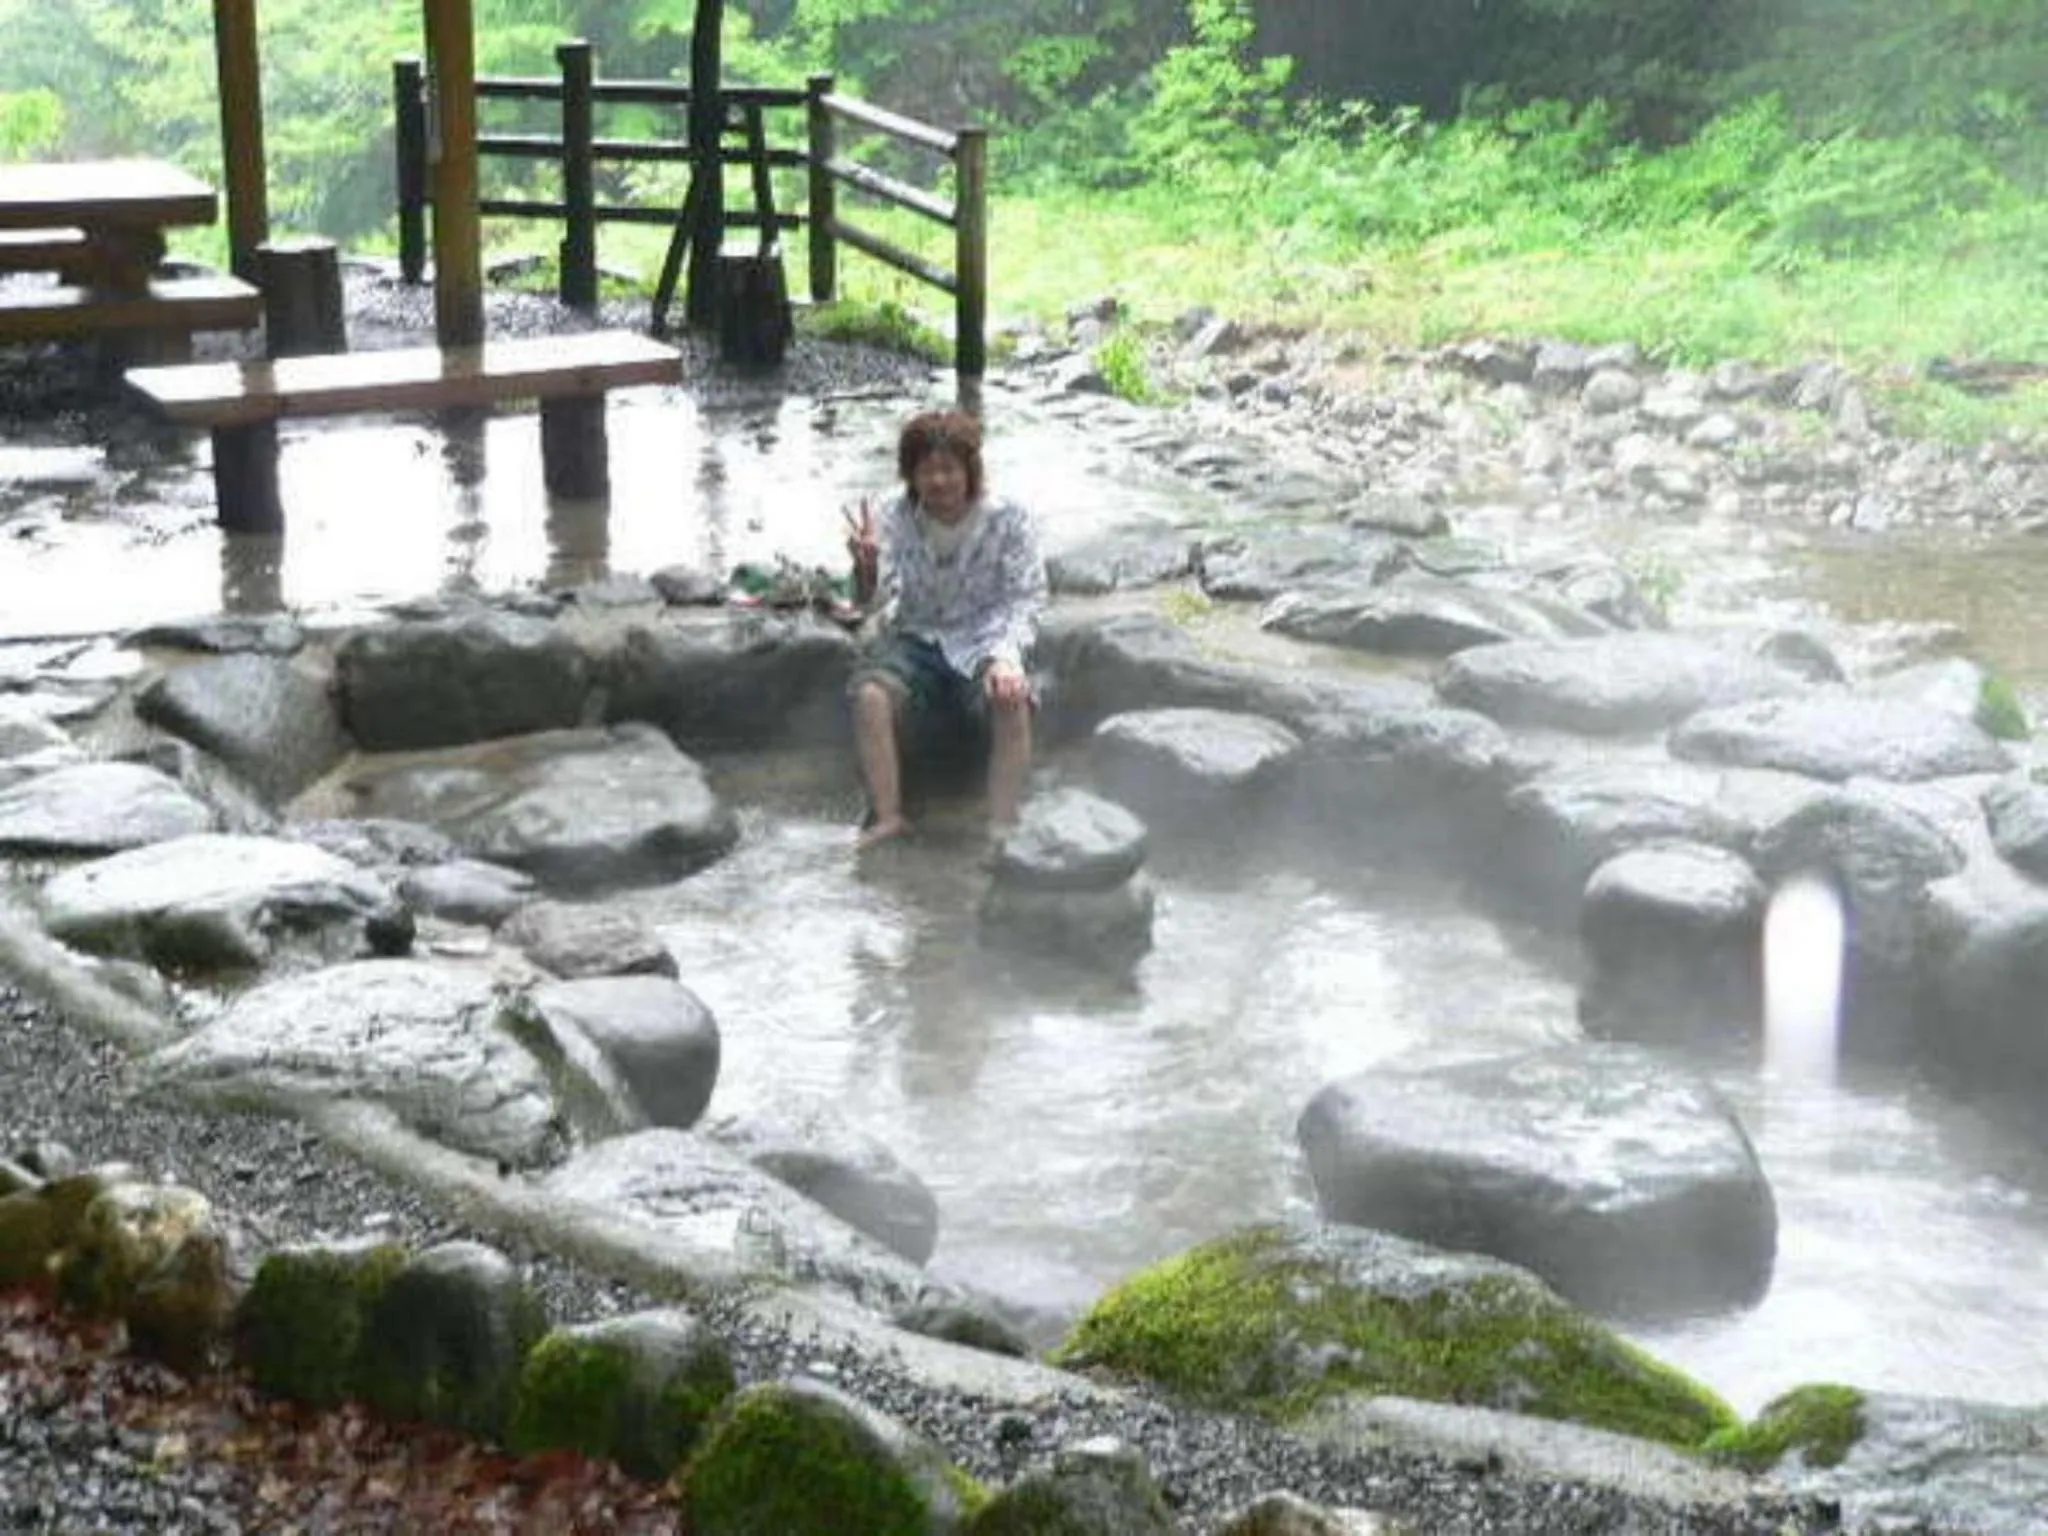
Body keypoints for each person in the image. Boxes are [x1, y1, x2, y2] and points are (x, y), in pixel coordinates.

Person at [844, 409, 1047, 849]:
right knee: (870, 696)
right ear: (910, 475)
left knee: (1011, 698)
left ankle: (1003, 823)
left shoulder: (1010, 517)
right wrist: (866, 568)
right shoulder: (892, 515)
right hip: (917, 635)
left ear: (970, 470)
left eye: (949, 469)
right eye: (926, 470)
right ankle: (887, 816)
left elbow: (1026, 598)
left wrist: (1007, 658)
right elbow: (872, 601)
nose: (938, 482)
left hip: (986, 637)